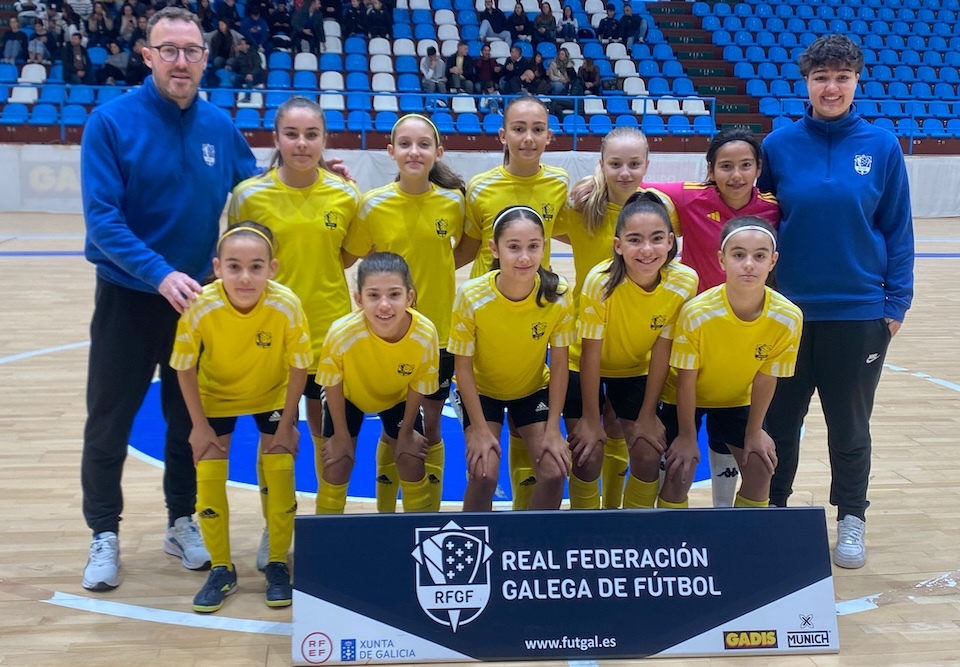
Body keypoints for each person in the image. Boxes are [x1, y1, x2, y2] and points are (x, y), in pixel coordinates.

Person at [79, 6, 258, 592]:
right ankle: (103, 532)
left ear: (206, 58)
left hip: (199, 305)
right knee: (110, 420)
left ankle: (181, 520)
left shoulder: (220, 127)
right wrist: (158, 274)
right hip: (130, 299)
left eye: (192, 50)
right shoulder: (109, 123)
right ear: (147, 55)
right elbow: (103, 220)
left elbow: (255, 190)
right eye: (169, 50)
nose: (181, 61)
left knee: (188, 423)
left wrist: (311, 173)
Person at [758, 34, 914, 569]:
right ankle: (773, 512)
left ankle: (851, 518)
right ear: (806, 82)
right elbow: (760, 222)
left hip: (859, 312)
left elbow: (897, 228)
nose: (831, 87)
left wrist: (896, 305)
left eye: (842, 77)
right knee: (779, 422)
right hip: (788, 315)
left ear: (856, 82)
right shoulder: (777, 145)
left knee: (849, 426)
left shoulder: (882, 145)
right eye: (822, 77)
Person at [229, 95, 360, 567]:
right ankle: (275, 528)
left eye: (311, 135)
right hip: (271, 339)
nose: (302, 143)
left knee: (329, 435)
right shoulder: (249, 195)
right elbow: (239, 267)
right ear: (276, 139)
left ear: (325, 141)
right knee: (276, 439)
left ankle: (327, 526)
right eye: (292, 134)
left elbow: (345, 254)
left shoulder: (346, 195)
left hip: (329, 337)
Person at [170, 223, 311, 614]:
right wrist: (198, 426)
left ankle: (279, 562)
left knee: (280, 468)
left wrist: (287, 424)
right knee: (209, 477)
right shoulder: (201, 305)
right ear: (217, 268)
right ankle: (221, 568)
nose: (245, 277)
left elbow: (299, 366)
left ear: (273, 268)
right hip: (216, 397)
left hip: (272, 393)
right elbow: (184, 367)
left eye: (256, 266)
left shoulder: (286, 304)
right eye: (234, 266)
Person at [643, 127, 780, 507]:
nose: (735, 175)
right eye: (726, 166)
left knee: (738, 444)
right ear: (710, 168)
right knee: (675, 458)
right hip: (691, 335)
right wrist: (594, 180)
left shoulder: (772, 207)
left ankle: (725, 523)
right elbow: (634, 181)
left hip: (739, 344)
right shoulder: (690, 198)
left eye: (745, 165)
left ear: (758, 168)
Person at [346, 114, 466, 514]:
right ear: (391, 151)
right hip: (386, 338)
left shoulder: (453, 202)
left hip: (440, 337)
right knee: (394, 427)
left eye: (424, 144)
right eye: (406, 144)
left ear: (438, 152)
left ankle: (424, 516)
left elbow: (464, 250)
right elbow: (354, 258)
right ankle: (385, 514)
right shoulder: (372, 205)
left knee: (429, 429)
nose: (414, 151)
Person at [456, 96, 570, 509]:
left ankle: (526, 552)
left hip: (531, 316)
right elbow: (466, 245)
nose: (528, 137)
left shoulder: (559, 184)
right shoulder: (481, 188)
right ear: (503, 135)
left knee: (546, 463)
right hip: (488, 319)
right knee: (485, 469)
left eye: (537, 128)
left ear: (549, 136)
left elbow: (581, 226)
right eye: (519, 128)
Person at [567, 193, 698, 511]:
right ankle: (585, 530)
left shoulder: (684, 281)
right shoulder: (600, 283)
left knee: (647, 452)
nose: (647, 250)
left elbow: (662, 350)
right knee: (588, 451)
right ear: (618, 245)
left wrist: (648, 415)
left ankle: (631, 533)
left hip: (637, 369)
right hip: (582, 365)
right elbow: (590, 354)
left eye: (656, 239)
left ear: (670, 241)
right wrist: (590, 417)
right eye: (635, 240)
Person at [662, 217, 802, 510]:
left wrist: (754, 432)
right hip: (684, 399)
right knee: (680, 469)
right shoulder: (697, 313)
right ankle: (675, 546)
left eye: (759, 256)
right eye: (739, 255)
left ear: (773, 261)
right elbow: (686, 380)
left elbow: (766, 377)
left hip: (736, 400)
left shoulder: (788, 317)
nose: (749, 264)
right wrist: (688, 437)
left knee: (762, 467)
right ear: (722, 260)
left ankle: (739, 543)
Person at [449, 206, 575, 511]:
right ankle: (477, 543)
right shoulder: (471, 295)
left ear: (544, 247)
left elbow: (560, 364)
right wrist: (479, 429)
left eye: (533, 247)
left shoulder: (557, 293)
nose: (524, 258)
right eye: (514, 247)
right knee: (483, 473)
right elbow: (462, 368)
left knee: (555, 471)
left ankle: (530, 549)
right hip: (480, 393)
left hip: (530, 390)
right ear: (495, 249)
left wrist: (554, 428)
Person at [554, 126, 651, 509]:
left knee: (626, 437)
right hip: (583, 347)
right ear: (601, 165)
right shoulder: (581, 208)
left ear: (647, 165)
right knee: (587, 448)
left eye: (633, 164)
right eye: (615, 164)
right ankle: (586, 525)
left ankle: (617, 520)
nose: (624, 172)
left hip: (633, 350)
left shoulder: (660, 207)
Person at [315, 253, 441, 515]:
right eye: (373, 295)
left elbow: (417, 385)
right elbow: (332, 385)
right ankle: (326, 544)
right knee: (339, 462)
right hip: (349, 397)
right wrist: (340, 435)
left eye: (394, 295)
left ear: (410, 297)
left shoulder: (425, 333)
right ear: (358, 299)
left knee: (411, 460)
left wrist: (406, 433)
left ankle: (415, 538)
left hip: (397, 397)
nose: (384, 305)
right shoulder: (341, 334)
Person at [231, 36, 263, 100]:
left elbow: (257, 67)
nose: (240, 46)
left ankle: (247, 98)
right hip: (243, 75)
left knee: (249, 79)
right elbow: (235, 66)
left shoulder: (254, 54)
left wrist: (251, 74)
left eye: (242, 44)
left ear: (248, 46)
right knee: (234, 78)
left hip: (255, 76)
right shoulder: (240, 55)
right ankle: (238, 95)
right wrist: (236, 53)